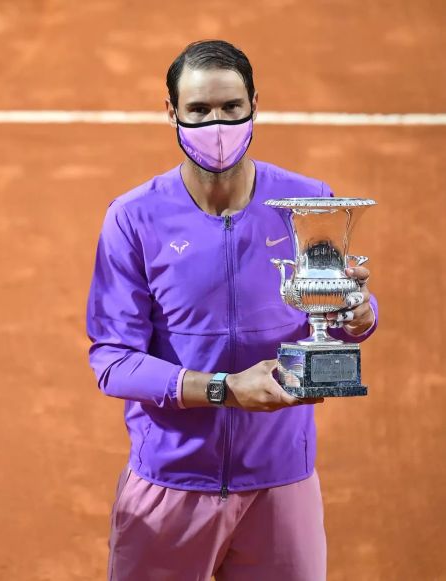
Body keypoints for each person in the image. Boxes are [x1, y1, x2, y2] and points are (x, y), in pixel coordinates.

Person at [86, 40, 379, 580]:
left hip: (281, 485)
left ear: (254, 106)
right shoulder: (133, 218)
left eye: (229, 108)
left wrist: (358, 315)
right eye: (198, 111)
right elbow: (113, 359)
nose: (215, 124)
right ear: (171, 112)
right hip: (172, 484)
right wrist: (224, 388)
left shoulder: (307, 202)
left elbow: (334, 313)